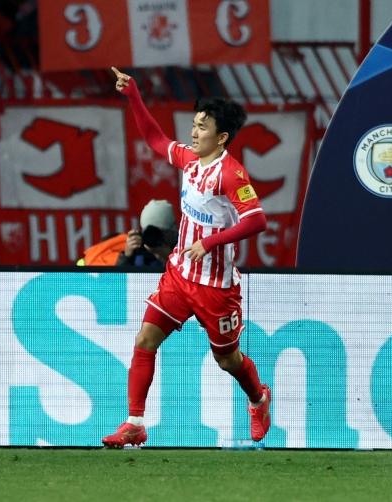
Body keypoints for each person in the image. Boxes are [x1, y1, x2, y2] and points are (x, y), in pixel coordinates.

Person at [102, 67, 270, 448]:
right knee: (145, 339)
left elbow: (257, 220)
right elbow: (154, 137)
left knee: (227, 361)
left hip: (216, 287)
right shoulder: (190, 160)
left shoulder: (231, 175)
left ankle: (259, 399)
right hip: (179, 274)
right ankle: (134, 423)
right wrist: (133, 95)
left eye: (202, 128)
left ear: (222, 137)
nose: (193, 133)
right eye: (194, 125)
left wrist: (210, 243)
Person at [116, 199, 179, 266]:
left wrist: (172, 257)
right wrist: (126, 257)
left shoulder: (183, 247)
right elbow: (117, 276)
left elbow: (188, 274)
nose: (154, 236)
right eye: (151, 232)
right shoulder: (138, 249)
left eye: (159, 232)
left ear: (173, 232)